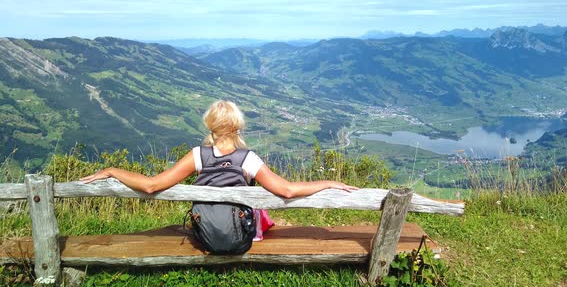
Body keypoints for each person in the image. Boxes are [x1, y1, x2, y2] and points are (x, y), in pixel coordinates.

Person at [79, 100, 358, 198]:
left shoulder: (197, 155)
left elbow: (152, 186)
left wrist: (111, 170)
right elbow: (287, 190)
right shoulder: (248, 159)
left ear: (209, 126)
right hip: (238, 236)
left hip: (205, 233)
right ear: (237, 127)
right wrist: (330, 182)